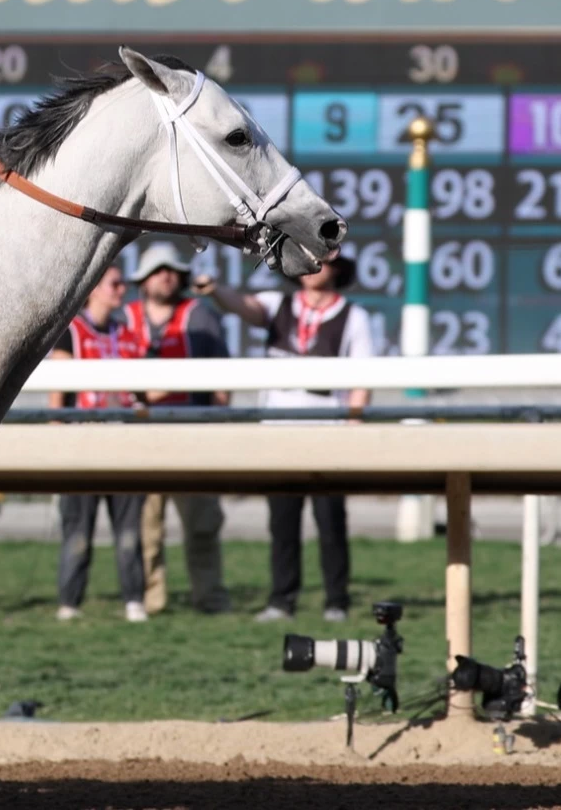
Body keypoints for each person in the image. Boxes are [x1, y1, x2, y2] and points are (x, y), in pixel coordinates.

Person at [196, 252, 372, 623]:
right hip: (279, 428)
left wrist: (353, 429)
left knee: (331, 521)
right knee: (282, 521)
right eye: (307, 262)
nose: (313, 269)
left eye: (322, 262)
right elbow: (244, 307)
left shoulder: (354, 316)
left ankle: (336, 601)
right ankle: (282, 600)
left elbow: (362, 379)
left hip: (327, 428)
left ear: (339, 270)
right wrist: (214, 291)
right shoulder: (280, 304)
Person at [122, 242, 232, 616]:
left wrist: (219, 423)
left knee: (202, 525)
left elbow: (222, 380)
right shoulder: (127, 317)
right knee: (146, 528)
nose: (166, 276)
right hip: (142, 434)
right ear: (144, 279)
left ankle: (211, 598)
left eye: (172, 270)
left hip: (192, 431)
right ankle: (153, 600)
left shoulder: (200, 315)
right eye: (158, 270)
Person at [49, 264, 147, 623]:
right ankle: (70, 603)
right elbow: (57, 392)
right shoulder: (71, 331)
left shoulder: (127, 333)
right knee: (77, 532)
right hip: (82, 443)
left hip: (122, 442)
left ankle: (134, 601)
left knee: (128, 532)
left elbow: (142, 389)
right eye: (115, 283)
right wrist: (57, 434)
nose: (122, 290)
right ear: (94, 287)